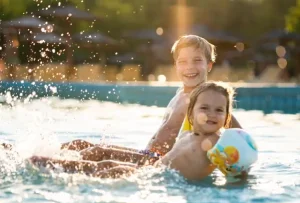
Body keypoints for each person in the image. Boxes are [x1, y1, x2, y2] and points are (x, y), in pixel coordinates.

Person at [59, 35, 241, 163]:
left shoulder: (203, 99)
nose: (189, 67)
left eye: (197, 60)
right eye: (183, 61)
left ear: (209, 65)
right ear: (175, 65)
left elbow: (236, 131)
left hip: (159, 162)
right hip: (147, 154)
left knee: (97, 154)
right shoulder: (181, 93)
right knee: (79, 145)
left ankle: (55, 169)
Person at [29, 81, 234, 181]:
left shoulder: (218, 141)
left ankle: (46, 166)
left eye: (219, 110)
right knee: (104, 157)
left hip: (160, 178)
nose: (211, 115)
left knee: (110, 168)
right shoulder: (191, 133)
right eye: (205, 108)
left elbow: (237, 163)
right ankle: (50, 160)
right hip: (156, 166)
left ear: (226, 117)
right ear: (192, 112)